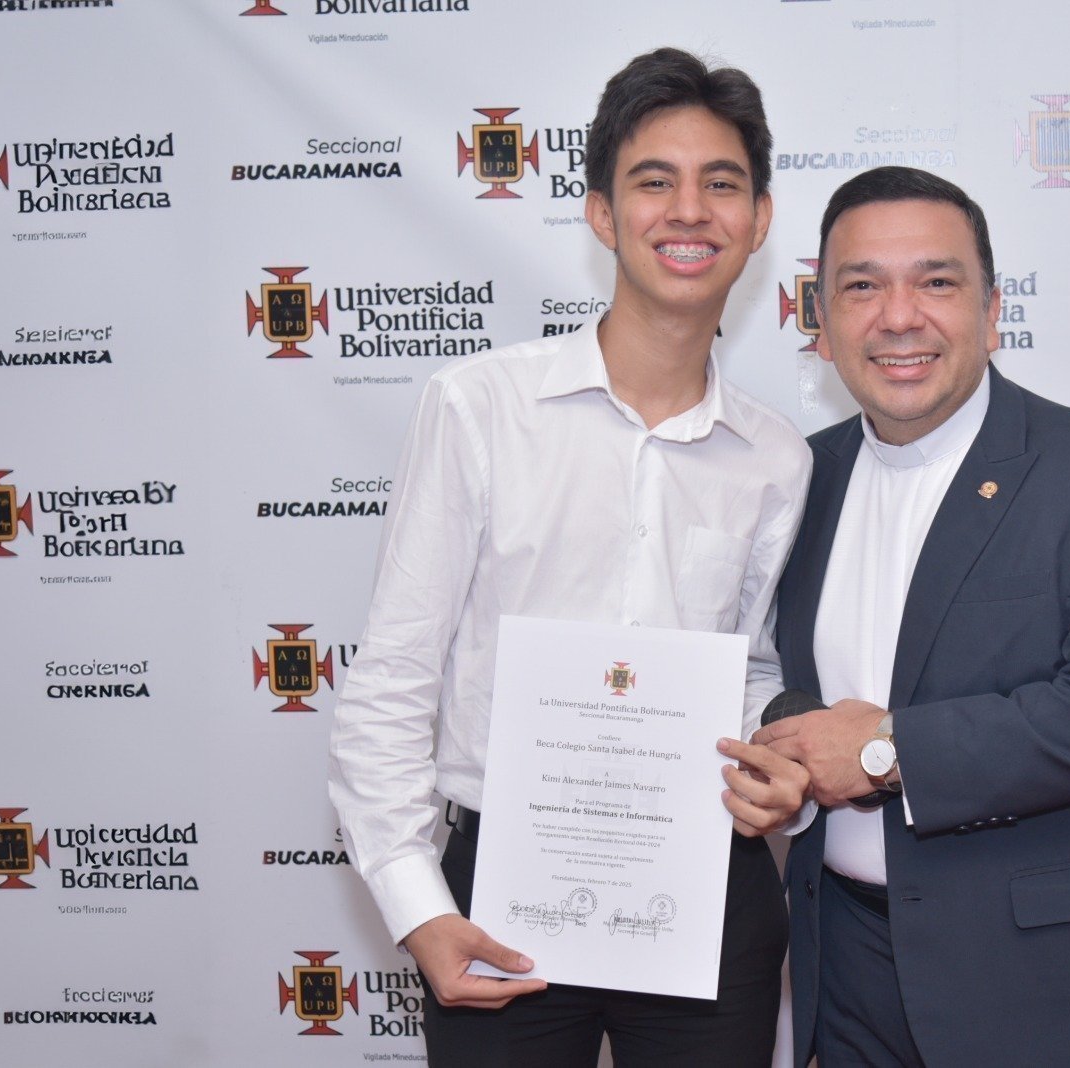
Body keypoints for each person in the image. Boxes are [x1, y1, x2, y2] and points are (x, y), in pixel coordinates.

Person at [329, 48, 811, 1067]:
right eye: (653, 182)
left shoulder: (777, 457)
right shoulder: (478, 408)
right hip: (502, 895)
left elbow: (746, 665)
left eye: (721, 184)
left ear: (759, 220)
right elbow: (393, 681)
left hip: (706, 892)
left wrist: (775, 756)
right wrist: (420, 909)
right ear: (600, 212)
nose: (689, 211)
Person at [753, 166, 1070, 1067]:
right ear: (822, 323)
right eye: (863, 285)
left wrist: (885, 751)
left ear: (993, 311)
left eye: (937, 282)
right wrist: (786, 738)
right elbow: (779, 674)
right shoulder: (795, 478)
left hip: (1046, 985)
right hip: (845, 974)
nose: (899, 315)